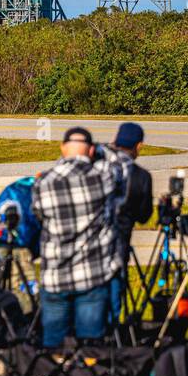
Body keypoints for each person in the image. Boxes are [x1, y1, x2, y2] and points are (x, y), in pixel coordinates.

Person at [31, 126, 122, 349]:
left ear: (62, 149)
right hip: (91, 273)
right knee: (90, 344)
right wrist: (102, 149)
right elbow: (118, 167)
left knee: (53, 344)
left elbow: (39, 216)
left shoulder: (42, 183)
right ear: (91, 151)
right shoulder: (102, 178)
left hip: (54, 275)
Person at [103, 122, 153, 324]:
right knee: (113, 302)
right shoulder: (140, 177)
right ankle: (109, 346)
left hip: (81, 249)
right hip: (116, 248)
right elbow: (144, 216)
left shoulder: (96, 164)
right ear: (138, 146)